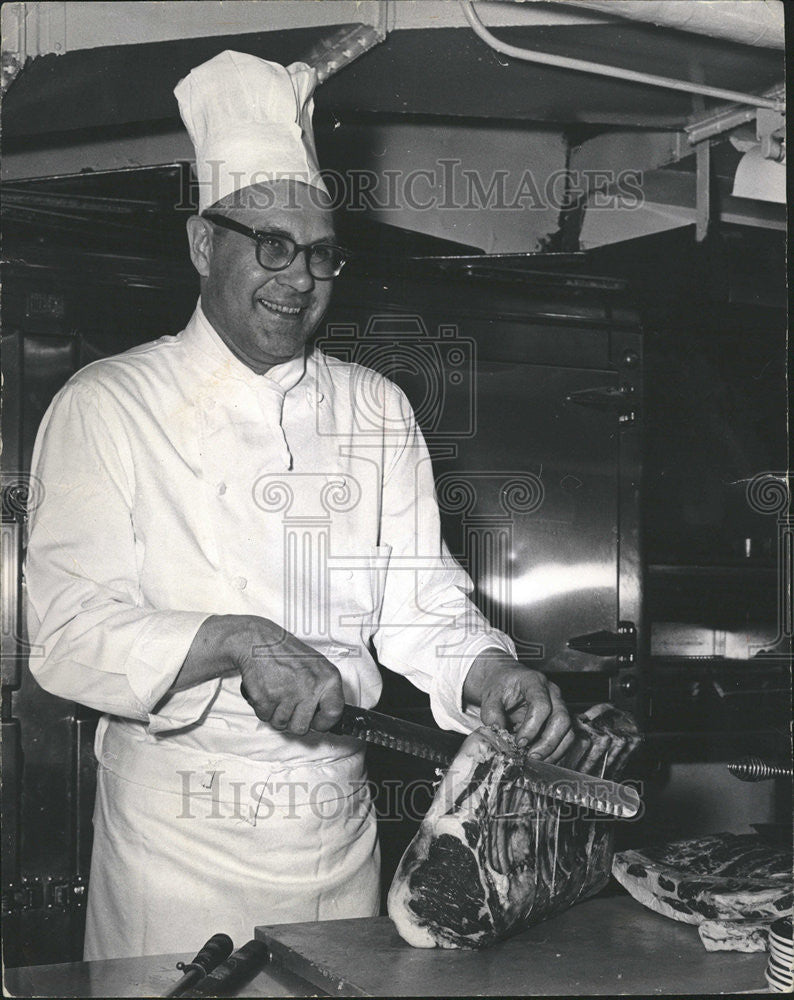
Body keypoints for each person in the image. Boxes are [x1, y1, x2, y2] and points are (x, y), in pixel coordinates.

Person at [24, 51, 572, 960]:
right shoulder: (106, 403)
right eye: (270, 245)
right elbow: (67, 633)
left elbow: (418, 606)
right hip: (175, 845)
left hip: (338, 833)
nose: (299, 278)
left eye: (321, 254)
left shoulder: (377, 407)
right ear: (204, 244)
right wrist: (234, 638)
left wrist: (489, 672)